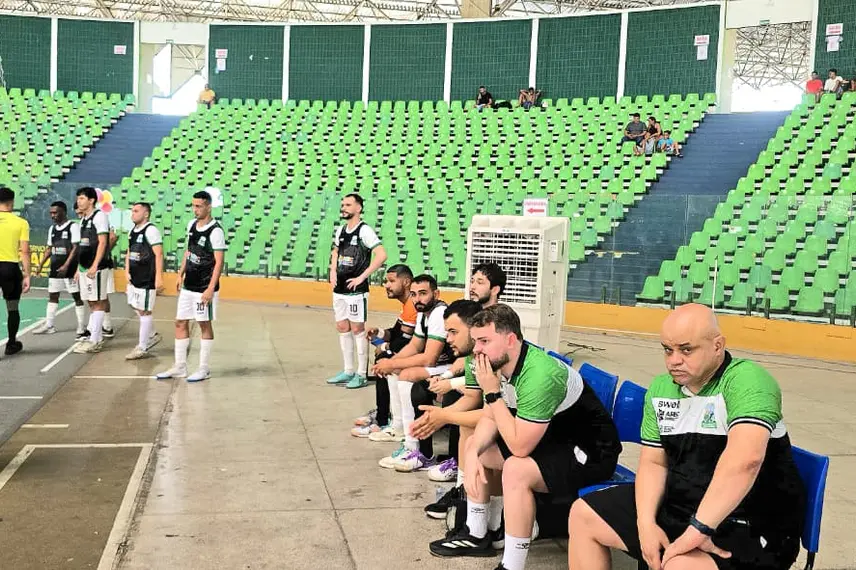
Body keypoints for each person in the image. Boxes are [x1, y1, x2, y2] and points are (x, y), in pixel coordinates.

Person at [568, 303, 806, 570]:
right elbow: (654, 462)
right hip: (683, 505)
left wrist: (699, 529)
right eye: (667, 350)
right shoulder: (661, 388)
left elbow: (745, 461)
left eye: (686, 349)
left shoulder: (748, 381)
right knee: (583, 514)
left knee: (677, 564)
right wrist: (645, 524)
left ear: (718, 346)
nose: (674, 360)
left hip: (750, 522)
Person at [430, 305, 621, 570]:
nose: (476, 350)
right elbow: (490, 418)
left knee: (516, 469)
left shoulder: (539, 375)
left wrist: (492, 393)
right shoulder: (496, 363)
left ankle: (512, 565)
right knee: (478, 444)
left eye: (484, 341)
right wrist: (472, 453)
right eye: (475, 341)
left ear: (510, 340)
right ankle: (478, 533)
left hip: (590, 451)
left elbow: (519, 447)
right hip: (552, 438)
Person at [372, 274, 456, 472]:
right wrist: (391, 362)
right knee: (396, 370)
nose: (418, 299)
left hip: (452, 367)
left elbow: (429, 358)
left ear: (436, 293)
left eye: (423, 293)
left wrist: (393, 364)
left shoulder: (439, 313)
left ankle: (414, 447)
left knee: (406, 375)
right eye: (414, 294)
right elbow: (415, 345)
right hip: (440, 365)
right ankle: (400, 429)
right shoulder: (423, 313)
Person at [155, 191, 226, 382]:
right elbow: (189, 251)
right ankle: (180, 366)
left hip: (204, 286)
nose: (195, 209)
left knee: (204, 324)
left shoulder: (216, 231)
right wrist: (180, 274)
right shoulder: (191, 225)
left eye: (199, 206)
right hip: (189, 285)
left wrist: (210, 288)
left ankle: (204, 368)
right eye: (193, 205)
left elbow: (219, 262)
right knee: (180, 322)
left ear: (208, 207)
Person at [326, 193, 387, 389]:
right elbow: (335, 251)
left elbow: (381, 255)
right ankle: (348, 370)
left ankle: (361, 374)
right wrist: (333, 270)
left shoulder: (364, 230)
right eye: (343, 204)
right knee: (342, 327)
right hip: (340, 288)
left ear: (358, 208)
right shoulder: (341, 230)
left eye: (348, 205)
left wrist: (362, 277)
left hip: (356, 291)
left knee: (357, 329)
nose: (343, 208)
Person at [351, 264, 417, 438]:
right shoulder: (407, 304)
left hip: (420, 357)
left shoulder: (412, 304)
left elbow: (405, 341)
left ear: (406, 282)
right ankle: (383, 414)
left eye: (391, 281)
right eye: (386, 281)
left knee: (384, 360)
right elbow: (396, 332)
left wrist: (385, 346)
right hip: (412, 351)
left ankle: (383, 420)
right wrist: (378, 333)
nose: (386, 285)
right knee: (383, 356)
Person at [33, 201, 87, 337]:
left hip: (70, 269)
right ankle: (49, 325)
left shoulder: (73, 226)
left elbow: (76, 248)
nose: (52, 215)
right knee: (53, 295)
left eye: (55, 212)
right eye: (51, 213)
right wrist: (40, 264)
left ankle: (81, 326)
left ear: (64, 212)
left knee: (76, 297)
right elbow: (49, 249)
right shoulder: (52, 229)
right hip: (55, 268)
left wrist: (66, 265)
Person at [73, 187, 112, 354]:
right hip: (84, 267)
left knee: (97, 302)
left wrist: (95, 264)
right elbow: (82, 246)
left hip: (97, 267)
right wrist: (78, 268)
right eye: (78, 198)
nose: (79, 201)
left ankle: (95, 340)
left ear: (91, 200)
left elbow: (103, 242)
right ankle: (97, 337)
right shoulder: (83, 219)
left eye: (82, 198)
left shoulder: (99, 216)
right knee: (91, 301)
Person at [124, 202, 164, 360]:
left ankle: (142, 347)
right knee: (135, 305)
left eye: (136, 211)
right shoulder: (132, 231)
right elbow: (129, 251)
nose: (132, 214)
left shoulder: (151, 230)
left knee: (145, 311)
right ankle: (152, 334)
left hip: (147, 278)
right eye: (132, 211)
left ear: (146, 214)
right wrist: (127, 270)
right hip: (134, 277)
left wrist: (159, 277)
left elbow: (159, 254)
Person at [0, 186, 30, 356]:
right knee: (12, 308)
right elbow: (24, 251)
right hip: (9, 268)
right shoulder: (21, 223)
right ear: (11, 202)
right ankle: (11, 344)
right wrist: (27, 275)